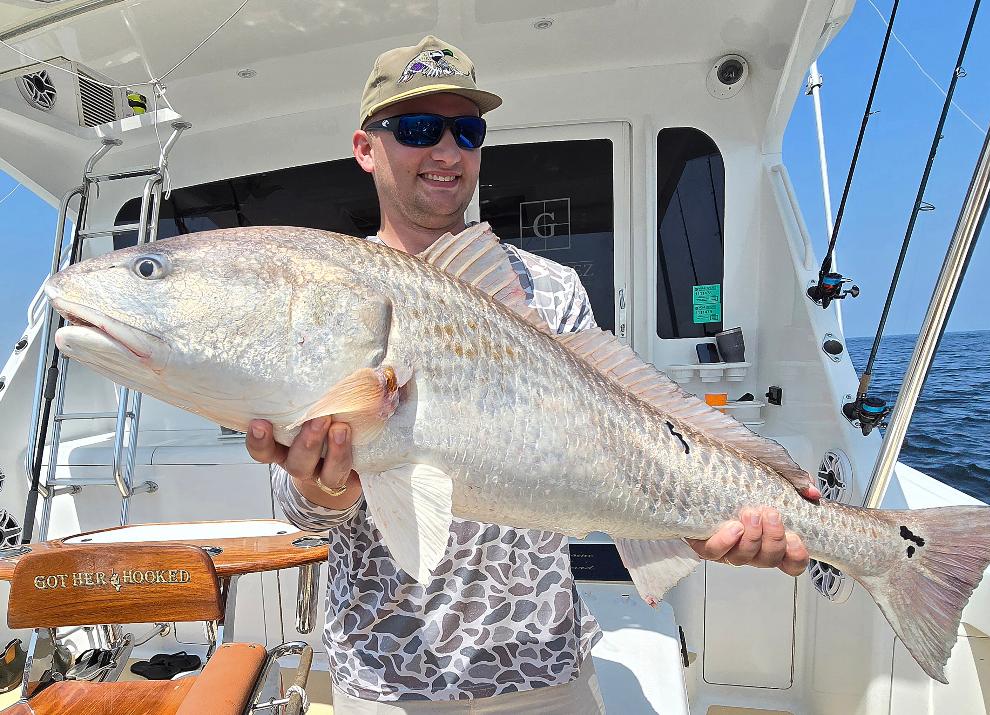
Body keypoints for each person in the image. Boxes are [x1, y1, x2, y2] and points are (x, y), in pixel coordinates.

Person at [246, 35, 815, 714]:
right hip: (389, 677)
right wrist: (326, 487)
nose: (447, 151)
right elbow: (305, 511)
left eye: (467, 130)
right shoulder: (328, 290)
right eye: (419, 128)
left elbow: (608, 456)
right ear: (366, 148)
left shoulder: (550, 288)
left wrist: (693, 518)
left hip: (544, 664)